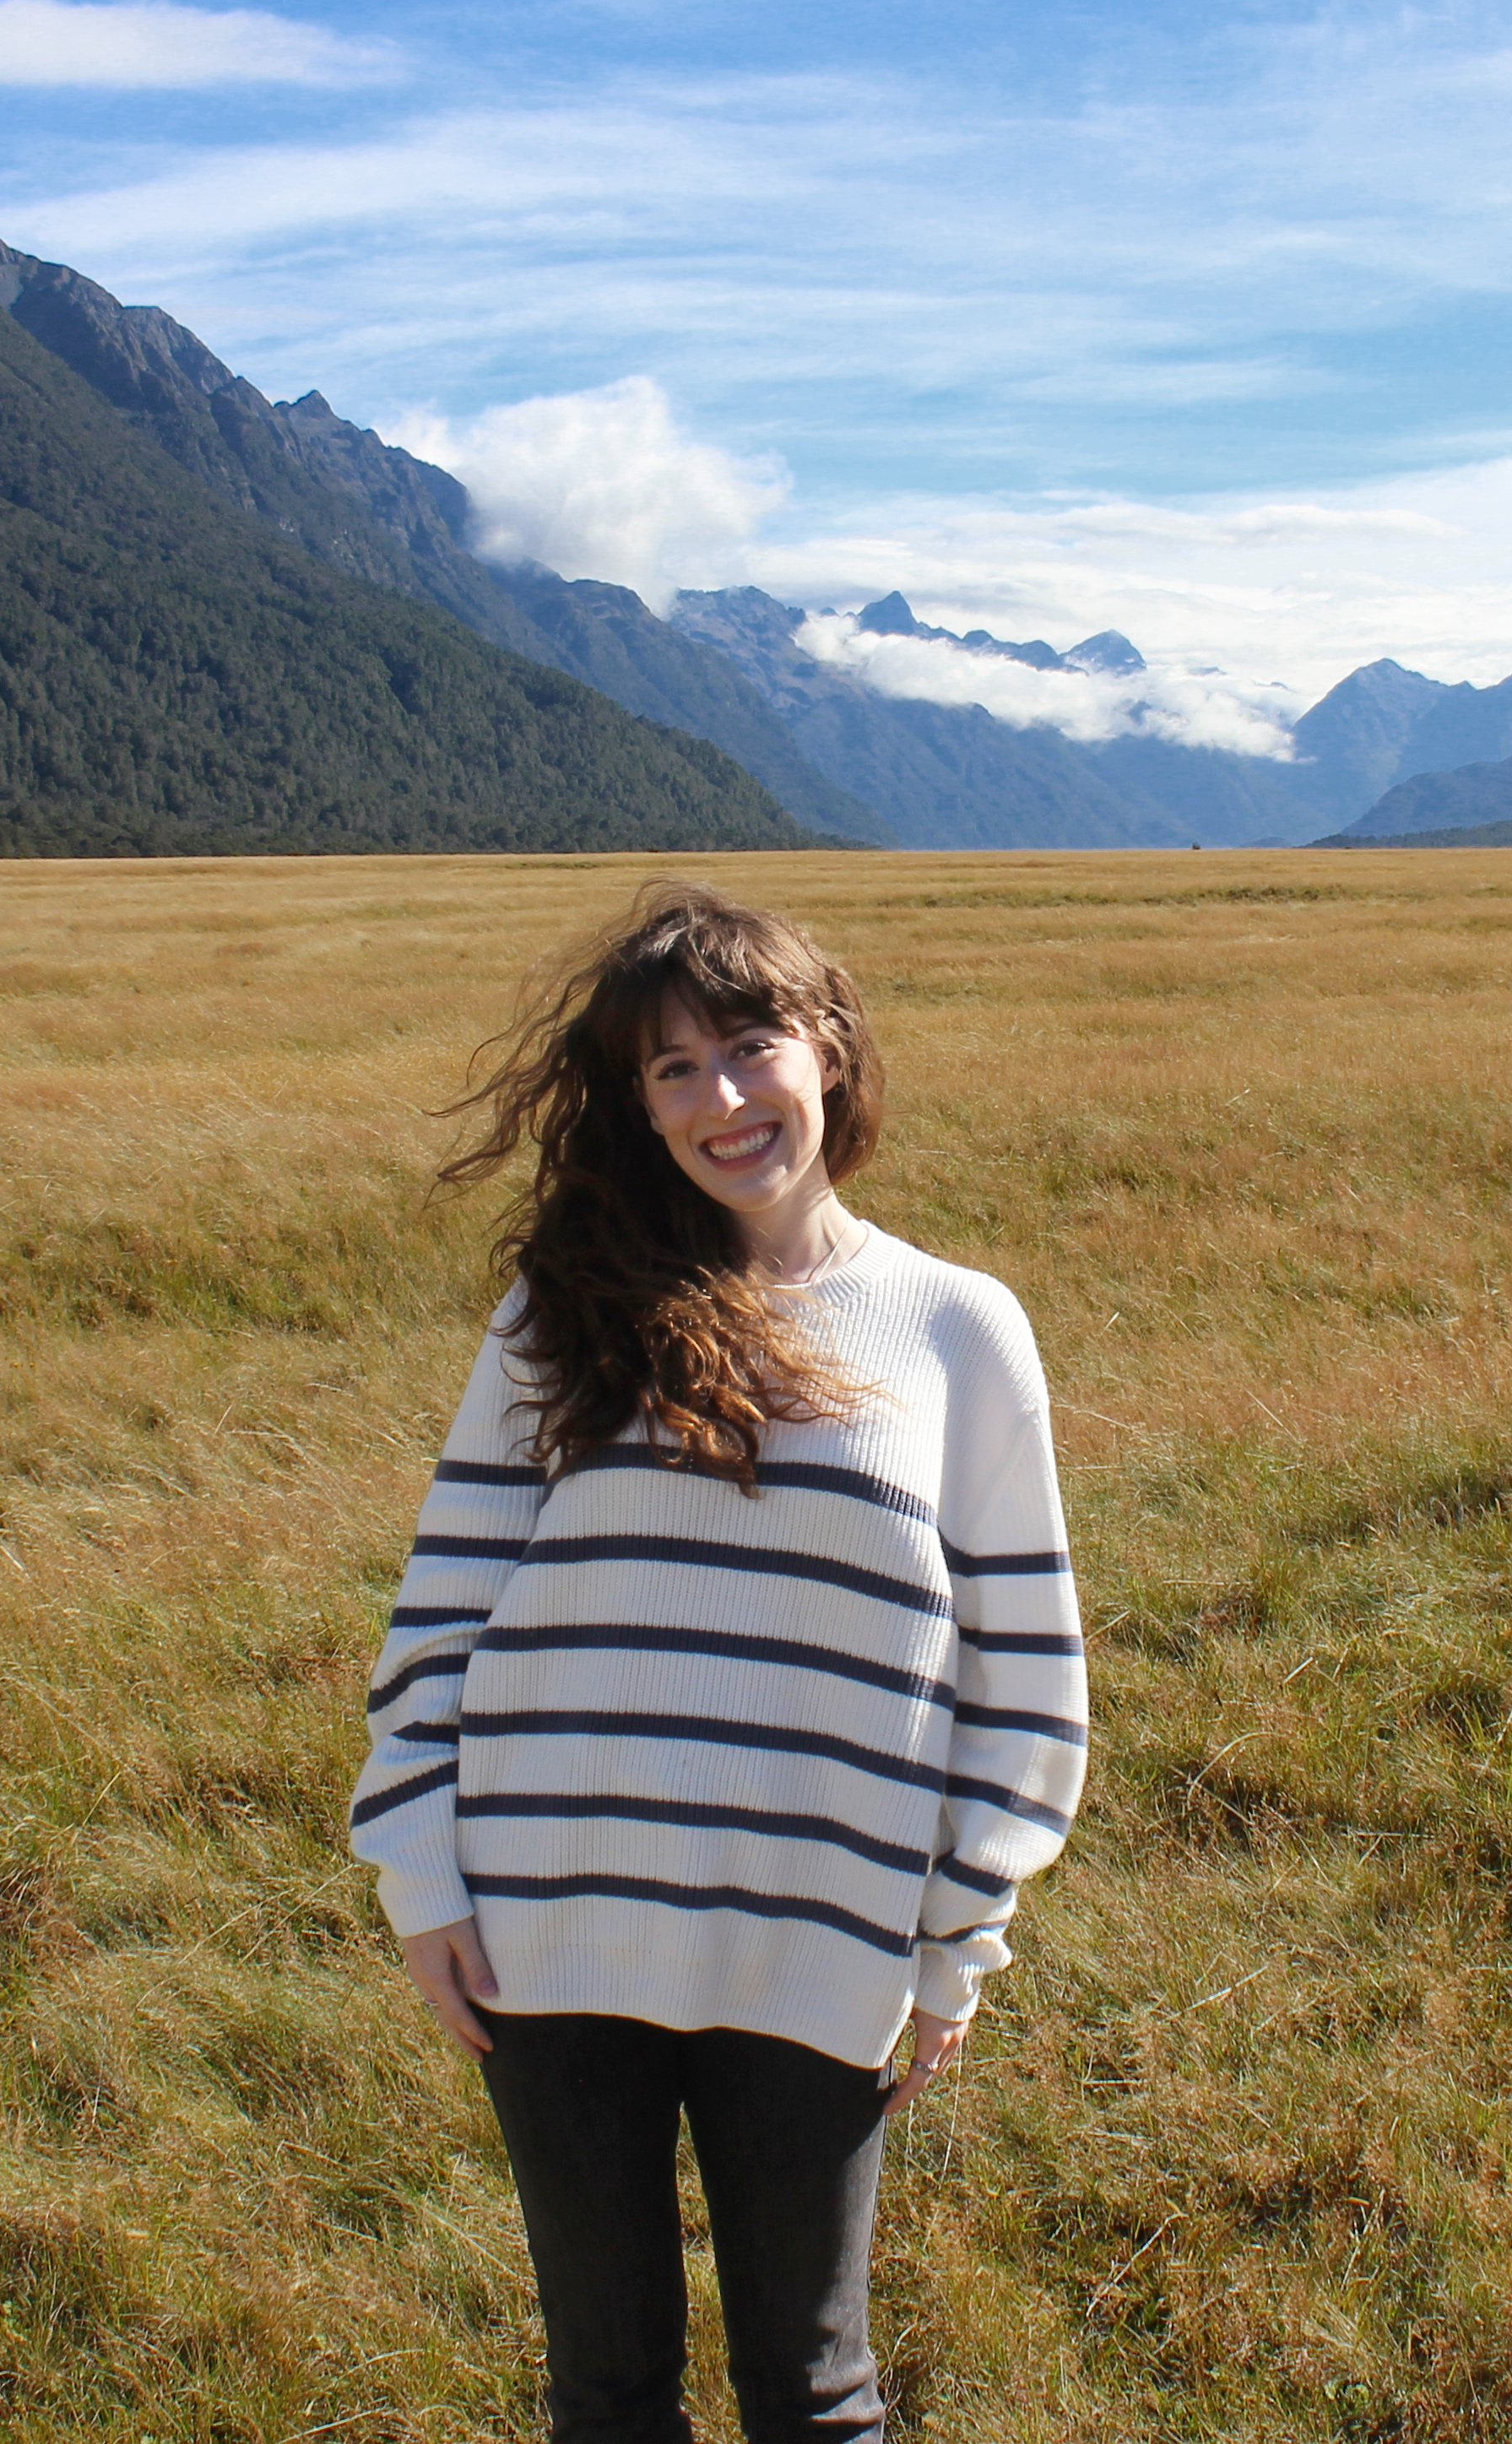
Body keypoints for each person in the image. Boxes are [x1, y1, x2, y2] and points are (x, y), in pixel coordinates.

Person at [349, 884, 1087, 2444]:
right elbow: (443, 1612)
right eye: (670, 1070)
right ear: (636, 1106)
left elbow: (1025, 1667)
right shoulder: (562, 1313)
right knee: (607, 2396)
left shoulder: (960, 1327)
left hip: (819, 1930)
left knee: (814, 2396)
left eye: (748, 1046)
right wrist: (423, 1875)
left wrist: (959, 1936)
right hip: (552, 1924)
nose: (721, 1099)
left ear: (828, 1049)